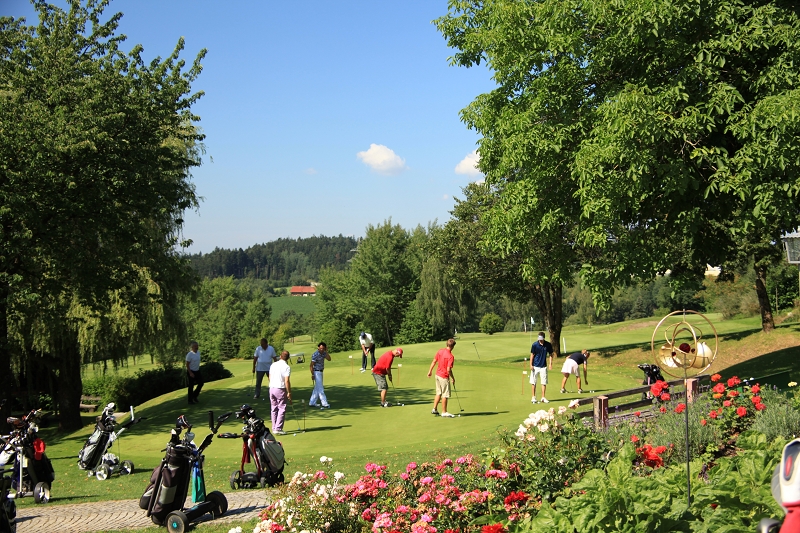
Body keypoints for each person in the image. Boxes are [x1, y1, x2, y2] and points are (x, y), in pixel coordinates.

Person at [427, 338, 456, 418]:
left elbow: (434, 361)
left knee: (438, 393)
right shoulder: (450, 356)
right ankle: (444, 412)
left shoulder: (440, 351)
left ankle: (434, 409)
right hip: (444, 377)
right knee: (445, 394)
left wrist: (430, 371)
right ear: (453, 346)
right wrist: (453, 378)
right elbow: (448, 369)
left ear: (447, 344)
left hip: (437, 375)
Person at [269, 350, 292, 435]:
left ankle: (274, 427)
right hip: (280, 388)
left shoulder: (273, 364)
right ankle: (278, 428)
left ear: (280, 356)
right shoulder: (286, 367)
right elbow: (286, 381)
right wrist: (289, 392)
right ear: (288, 358)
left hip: (271, 388)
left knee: (274, 408)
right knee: (282, 408)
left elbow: (269, 377)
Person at [529, 332, 554, 404]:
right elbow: (532, 355)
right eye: (539, 338)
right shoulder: (534, 345)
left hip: (543, 366)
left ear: (543, 338)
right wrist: (531, 364)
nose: (540, 340)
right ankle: (533, 397)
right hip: (535, 366)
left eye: (541, 339)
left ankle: (543, 397)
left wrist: (550, 364)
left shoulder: (548, 345)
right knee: (533, 382)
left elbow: (551, 354)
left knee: (544, 382)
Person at [308, 342, 331, 409]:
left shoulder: (324, 353)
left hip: (321, 372)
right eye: (320, 348)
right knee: (320, 389)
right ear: (318, 348)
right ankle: (324, 403)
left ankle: (312, 402)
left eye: (323, 348)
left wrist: (326, 351)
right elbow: (311, 365)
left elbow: (329, 359)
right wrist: (312, 374)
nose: (321, 349)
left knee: (317, 388)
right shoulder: (315, 354)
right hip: (316, 372)